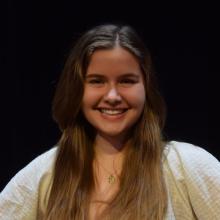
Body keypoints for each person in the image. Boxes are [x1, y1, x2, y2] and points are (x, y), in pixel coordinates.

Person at [0, 24, 220, 220]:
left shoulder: (185, 165)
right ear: (77, 89)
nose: (112, 96)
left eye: (126, 81)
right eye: (97, 81)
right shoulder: (47, 172)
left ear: (146, 87)